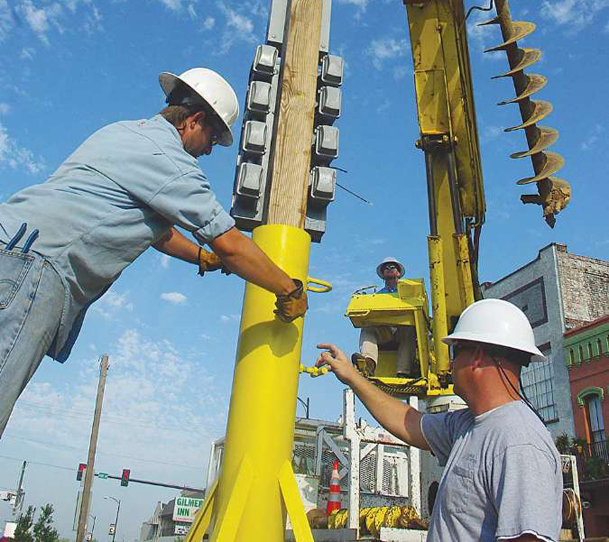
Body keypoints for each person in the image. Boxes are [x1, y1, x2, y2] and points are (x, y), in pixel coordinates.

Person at [0, 67, 307, 436]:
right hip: (32, 272)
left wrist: (199, 257)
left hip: (14, 248)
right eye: (213, 136)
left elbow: (156, 232)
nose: (211, 148)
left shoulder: (120, 133)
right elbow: (230, 244)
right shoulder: (172, 163)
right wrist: (288, 289)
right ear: (193, 121)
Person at [318, 298, 562, 542]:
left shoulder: (518, 442)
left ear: (477, 355)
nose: (451, 363)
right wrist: (353, 376)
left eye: (455, 351)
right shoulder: (467, 425)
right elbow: (409, 422)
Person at [352, 257, 417, 377]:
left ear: (398, 272)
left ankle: (403, 371)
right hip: (386, 332)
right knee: (367, 328)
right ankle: (369, 363)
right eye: (386, 268)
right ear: (382, 273)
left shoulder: (408, 292)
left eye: (392, 267)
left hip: (402, 332)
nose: (389, 269)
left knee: (410, 328)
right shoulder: (377, 296)